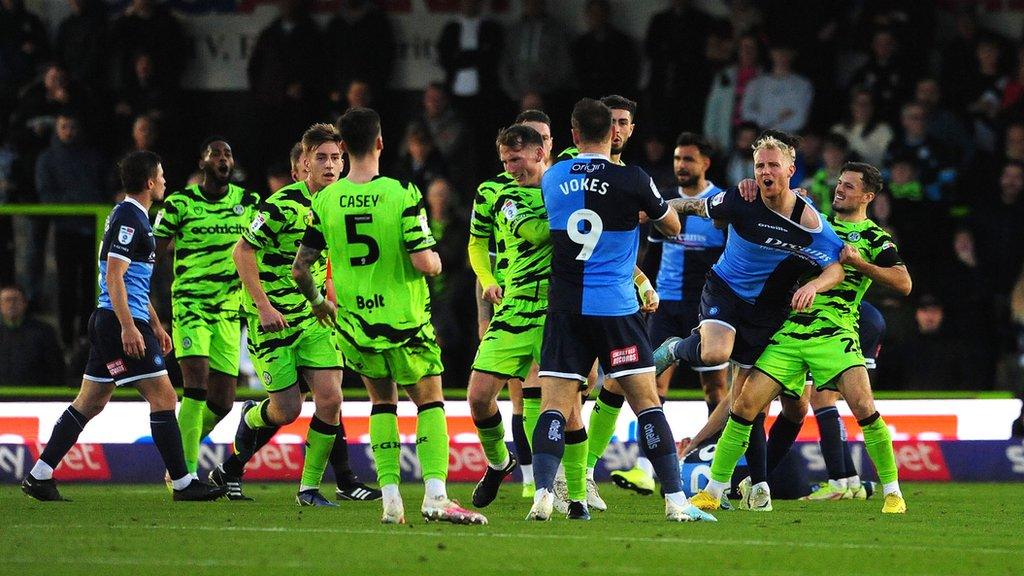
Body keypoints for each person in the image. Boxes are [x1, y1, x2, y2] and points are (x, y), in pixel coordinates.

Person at [295, 107, 486, 525]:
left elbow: (301, 267)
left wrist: (318, 302)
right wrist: (436, 259)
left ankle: (391, 499)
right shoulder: (403, 194)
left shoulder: (324, 200)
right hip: (405, 322)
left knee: (382, 403)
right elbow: (424, 262)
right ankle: (436, 494)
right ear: (380, 143)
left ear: (343, 148)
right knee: (430, 400)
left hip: (355, 325)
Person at [686, 162, 909, 515]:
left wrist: (861, 264)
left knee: (864, 409)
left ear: (867, 196)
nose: (840, 190)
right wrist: (759, 188)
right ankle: (714, 491)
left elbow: (903, 282)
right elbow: (775, 210)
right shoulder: (813, 221)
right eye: (839, 183)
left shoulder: (873, 237)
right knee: (745, 406)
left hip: (835, 333)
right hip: (789, 331)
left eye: (850, 187)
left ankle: (893, 494)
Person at [528, 98, 712, 523]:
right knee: (647, 403)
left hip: (565, 307)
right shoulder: (632, 178)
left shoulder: (553, 177)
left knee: (554, 405)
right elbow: (673, 227)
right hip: (616, 307)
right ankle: (674, 501)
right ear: (613, 134)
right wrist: (642, 209)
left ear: (573, 136)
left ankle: (542, 494)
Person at [653, 131, 846, 511]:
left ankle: (759, 486)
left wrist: (816, 287)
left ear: (791, 170)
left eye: (774, 165)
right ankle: (676, 347)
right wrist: (654, 206)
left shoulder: (809, 222)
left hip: (767, 312)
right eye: (760, 165)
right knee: (713, 355)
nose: (766, 172)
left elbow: (836, 268)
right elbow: (693, 207)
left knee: (750, 401)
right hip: (724, 289)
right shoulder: (741, 199)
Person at [21, 151, 225, 502]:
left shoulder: (135, 216)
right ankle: (183, 482)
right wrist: (129, 327)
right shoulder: (130, 218)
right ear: (149, 182)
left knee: (90, 401)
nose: (164, 181)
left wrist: (156, 325)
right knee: (164, 396)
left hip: (115, 319)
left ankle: (39, 475)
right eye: (160, 176)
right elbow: (114, 276)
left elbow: (132, 280)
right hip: (118, 321)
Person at [212, 124, 345, 507]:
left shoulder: (338, 204)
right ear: (304, 164)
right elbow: (242, 252)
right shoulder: (280, 206)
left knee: (331, 400)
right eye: (321, 158)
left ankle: (308, 489)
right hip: (270, 319)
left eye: (336, 158)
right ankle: (253, 416)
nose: (330, 165)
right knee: (287, 411)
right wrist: (264, 306)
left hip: (313, 317)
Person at [592, 132, 727, 497]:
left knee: (715, 387)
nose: (681, 166)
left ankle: (712, 464)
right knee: (650, 385)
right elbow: (648, 256)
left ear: (705, 164)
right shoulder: (662, 203)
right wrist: (640, 288)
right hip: (664, 306)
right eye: (677, 159)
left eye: (688, 160)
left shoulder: (718, 205)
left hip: (705, 308)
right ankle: (644, 468)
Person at [152, 138, 259, 489]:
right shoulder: (180, 203)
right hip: (191, 306)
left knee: (223, 401)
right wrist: (154, 308)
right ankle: (184, 475)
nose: (223, 158)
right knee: (195, 386)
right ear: (203, 161)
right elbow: (153, 256)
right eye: (216, 153)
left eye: (228, 153)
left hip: (230, 311)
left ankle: (179, 452)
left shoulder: (247, 202)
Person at [467, 110, 554, 502]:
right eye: (506, 160)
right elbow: (476, 245)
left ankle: (547, 485)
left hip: (556, 303)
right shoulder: (494, 193)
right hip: (510, 299)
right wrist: (487, 283)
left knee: (547, 394)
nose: (510, 167)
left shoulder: (563, 184)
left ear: (541, 149)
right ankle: (502, 462)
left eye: (515, 159)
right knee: (483, 396)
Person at [0, 284, 64, 386]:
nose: (11, 304)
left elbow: (56, 368)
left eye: (16, 300)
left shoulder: (44, 331)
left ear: (25, 303)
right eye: (7, 300)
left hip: (36, 394)